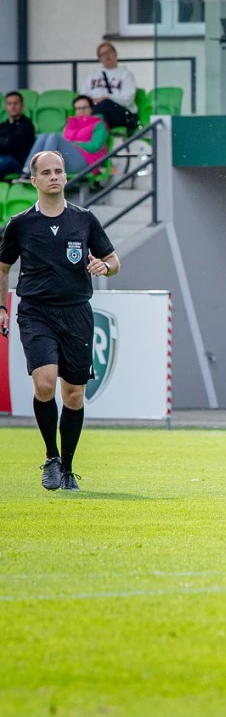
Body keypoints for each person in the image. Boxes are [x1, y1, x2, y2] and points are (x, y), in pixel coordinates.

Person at [0, 149, 119, 491]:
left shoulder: (84, 219)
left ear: (66, 177)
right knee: (45, 383)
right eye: (46, 172)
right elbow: (3, 268)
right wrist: (1, 308)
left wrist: (104, 266)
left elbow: (113, 260)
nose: (54, 176)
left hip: (77, 312)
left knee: (74, 395)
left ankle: (67, 468)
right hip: (35, 311)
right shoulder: (20, 223)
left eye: (59, 171)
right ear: (33, 180)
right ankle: (51, 457)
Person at [23, 95, 108, 178]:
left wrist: (75, 144)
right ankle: (27, 170)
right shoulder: (71, 124)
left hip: (87, 162)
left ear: (91, 108)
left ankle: (44, 169)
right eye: (78, 108)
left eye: (85, 107)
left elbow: (95, 146)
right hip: (68, 160)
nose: (82, 111)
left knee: (55, 137)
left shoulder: (99, 124)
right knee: (43, 136)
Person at [82, 42, 139, 133]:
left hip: (120, 112)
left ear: (115, 54)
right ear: (99, 59)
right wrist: (93, 103)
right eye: (102, 54)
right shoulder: (92, 76)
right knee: (89, 111)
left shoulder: (126, 74)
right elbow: (83, 97)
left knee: (105, 104)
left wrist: (107, 98)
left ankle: (92, 126)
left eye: (109, 52)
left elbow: (128, 100)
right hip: (96, 110)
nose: (107, 56)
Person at [0, 91, 36, 178]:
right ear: (6, 107)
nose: (12, 107)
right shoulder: (3, 125)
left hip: (17, 161)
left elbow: (11, 145)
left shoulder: (27, 125)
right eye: (9, 104)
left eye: (15, 103)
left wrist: (5, 141)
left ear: (22, 106)